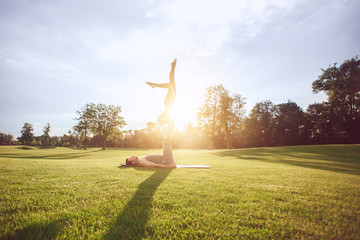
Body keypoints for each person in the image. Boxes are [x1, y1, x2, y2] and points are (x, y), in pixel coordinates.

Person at [125, 58, 177, 168]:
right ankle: (172, 67)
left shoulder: (141, 161)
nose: (133, 156)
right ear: (133, 162)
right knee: (171, 84)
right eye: (131, 158)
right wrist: (169, 167)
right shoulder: (142, 162)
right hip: (166, 162)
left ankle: (162, 122)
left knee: (171, 84)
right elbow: (154, 166)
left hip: (168, 105)